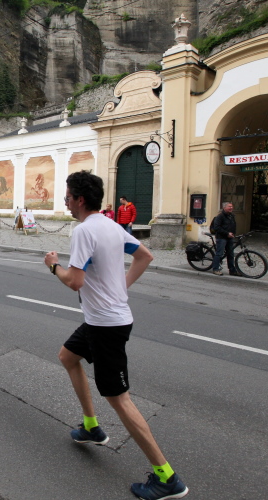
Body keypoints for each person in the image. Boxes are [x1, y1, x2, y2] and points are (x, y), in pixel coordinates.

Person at [44, 171, 189, 500]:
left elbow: (75, 281)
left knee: (119, 398)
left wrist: (53, 265)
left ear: (80, 200)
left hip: (106, 326)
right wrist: (119, 288)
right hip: (101, 320)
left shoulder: (84, 230)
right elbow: (145, 256)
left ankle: (167, 477)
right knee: (67, 357)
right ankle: (91, 426)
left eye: (67, 198)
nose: (66, 203)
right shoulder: (110, 225)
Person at [211, 202, 238, 276]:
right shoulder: (220, 216)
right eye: (229, 206)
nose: (231, 208)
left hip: (229, 237)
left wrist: (233, 234)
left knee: (230, 254)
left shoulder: (231, 216)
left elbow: (233, 225)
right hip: (221, 238)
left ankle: (232, 270)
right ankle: (215, 269)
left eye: (232, 206)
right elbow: (217, 227)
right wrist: (227, 233)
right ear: (224, 207)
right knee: (219, 253)